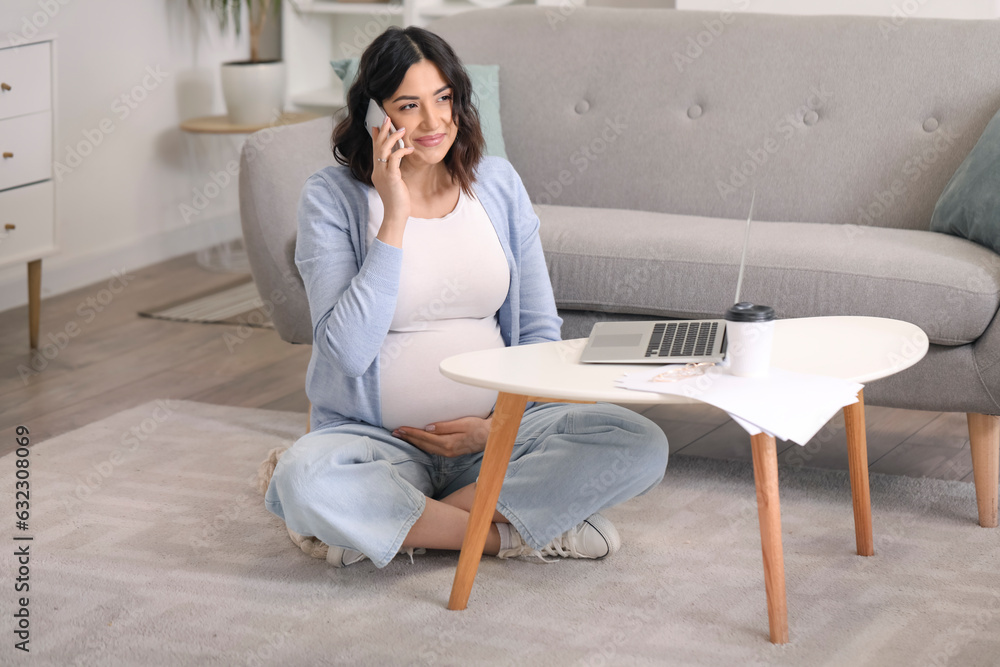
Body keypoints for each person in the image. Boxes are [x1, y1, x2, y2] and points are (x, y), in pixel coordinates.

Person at [262, 25, 670, 569]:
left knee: (637, 441)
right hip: (379, 443)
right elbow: (347, 353)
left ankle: (395, 525)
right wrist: (395, 216)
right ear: (374, 116)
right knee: (305, 476)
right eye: (409, 105)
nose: (434, 123)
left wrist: (495, 426)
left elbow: (541, 335)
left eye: (444, 99)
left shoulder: (497, 184)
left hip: (497, 437)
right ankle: (512, 534)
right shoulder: (331, 199)